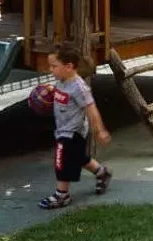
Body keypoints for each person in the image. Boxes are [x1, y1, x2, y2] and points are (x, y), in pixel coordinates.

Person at [39, 42, 113, 209]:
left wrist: (99, 130)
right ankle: (102, 172)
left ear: (69, 66)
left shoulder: (79, 88)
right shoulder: (62, 80)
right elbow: (60, 91)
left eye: (53, 66)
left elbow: (91, 108)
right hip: (62, 129)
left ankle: (62, 195)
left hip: (72, 132)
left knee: (61, 161)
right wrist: (51, 89)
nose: (51, 69)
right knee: (78, 157)